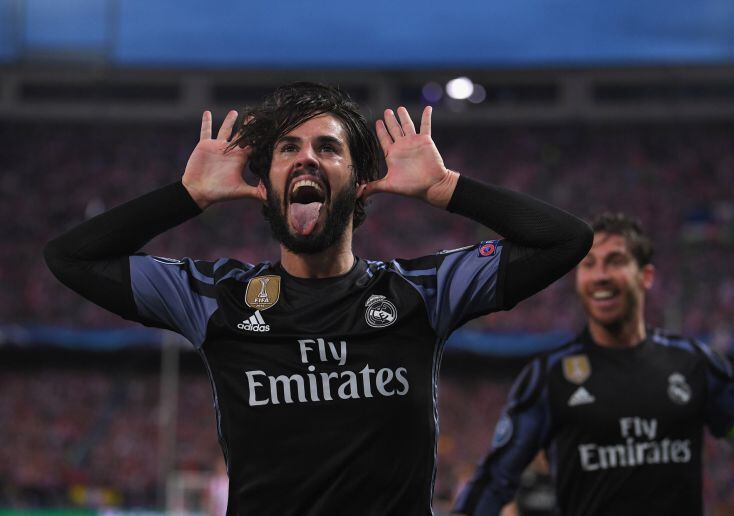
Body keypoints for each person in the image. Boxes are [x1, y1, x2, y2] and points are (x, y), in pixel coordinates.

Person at [44, 82, 592, 515]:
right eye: (288, 149)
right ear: (268, 181)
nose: (306, 158)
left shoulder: (422, 292)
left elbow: (565, 240)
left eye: (328, 148)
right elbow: (71, 258)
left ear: (358, 182)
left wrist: (447, 187)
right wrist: (186, 197)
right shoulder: (217, 298)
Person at [452, 212, 734, 516]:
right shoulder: (548, 379)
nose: (600, 275)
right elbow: (492, 482)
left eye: (615, 261)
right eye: (589, 264)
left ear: (646, 276)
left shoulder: (694, 365)